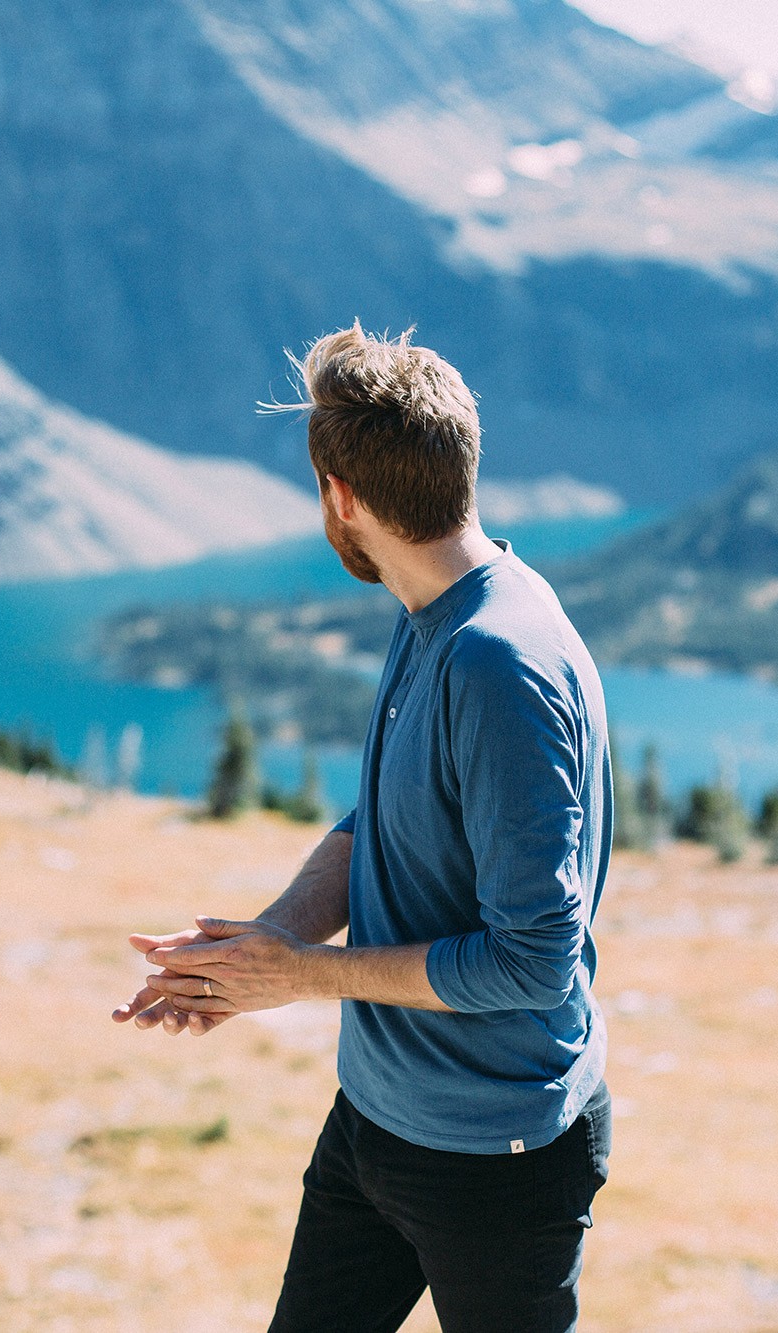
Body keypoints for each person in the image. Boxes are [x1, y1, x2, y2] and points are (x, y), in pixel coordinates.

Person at [111, 324, 613, 1332]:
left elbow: (533, 962)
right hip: (377, 1119)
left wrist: (302, 978)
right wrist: (267, 945)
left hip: (493, 1159)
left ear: (340, 496)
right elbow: (383, 816)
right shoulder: (432, 604)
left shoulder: (495, 662)